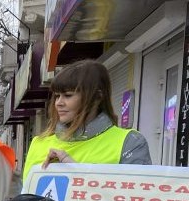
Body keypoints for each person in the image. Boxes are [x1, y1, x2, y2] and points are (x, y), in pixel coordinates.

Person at [23, 59, 151, 179]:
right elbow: (24, 199)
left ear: (97, 97)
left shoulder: (130, 143)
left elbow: (138, 199)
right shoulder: (38, 144)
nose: (58, 103)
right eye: (57, 96)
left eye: (68, 95)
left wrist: (79, 174)